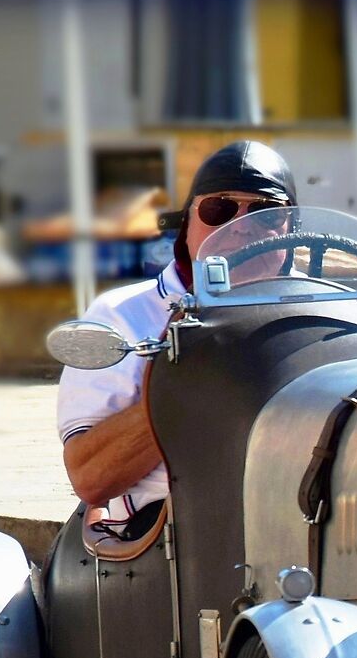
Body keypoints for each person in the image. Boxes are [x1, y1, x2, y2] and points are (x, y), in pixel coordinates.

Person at [58, 140, 296, 543]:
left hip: (302, 515)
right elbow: (91, 478)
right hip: (166, 533)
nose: (238, 229)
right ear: (188, 224)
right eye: (218, 210)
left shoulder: (325, 304)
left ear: (290, 229)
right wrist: (188, 380)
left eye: (264, 213)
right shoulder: (122, 314)